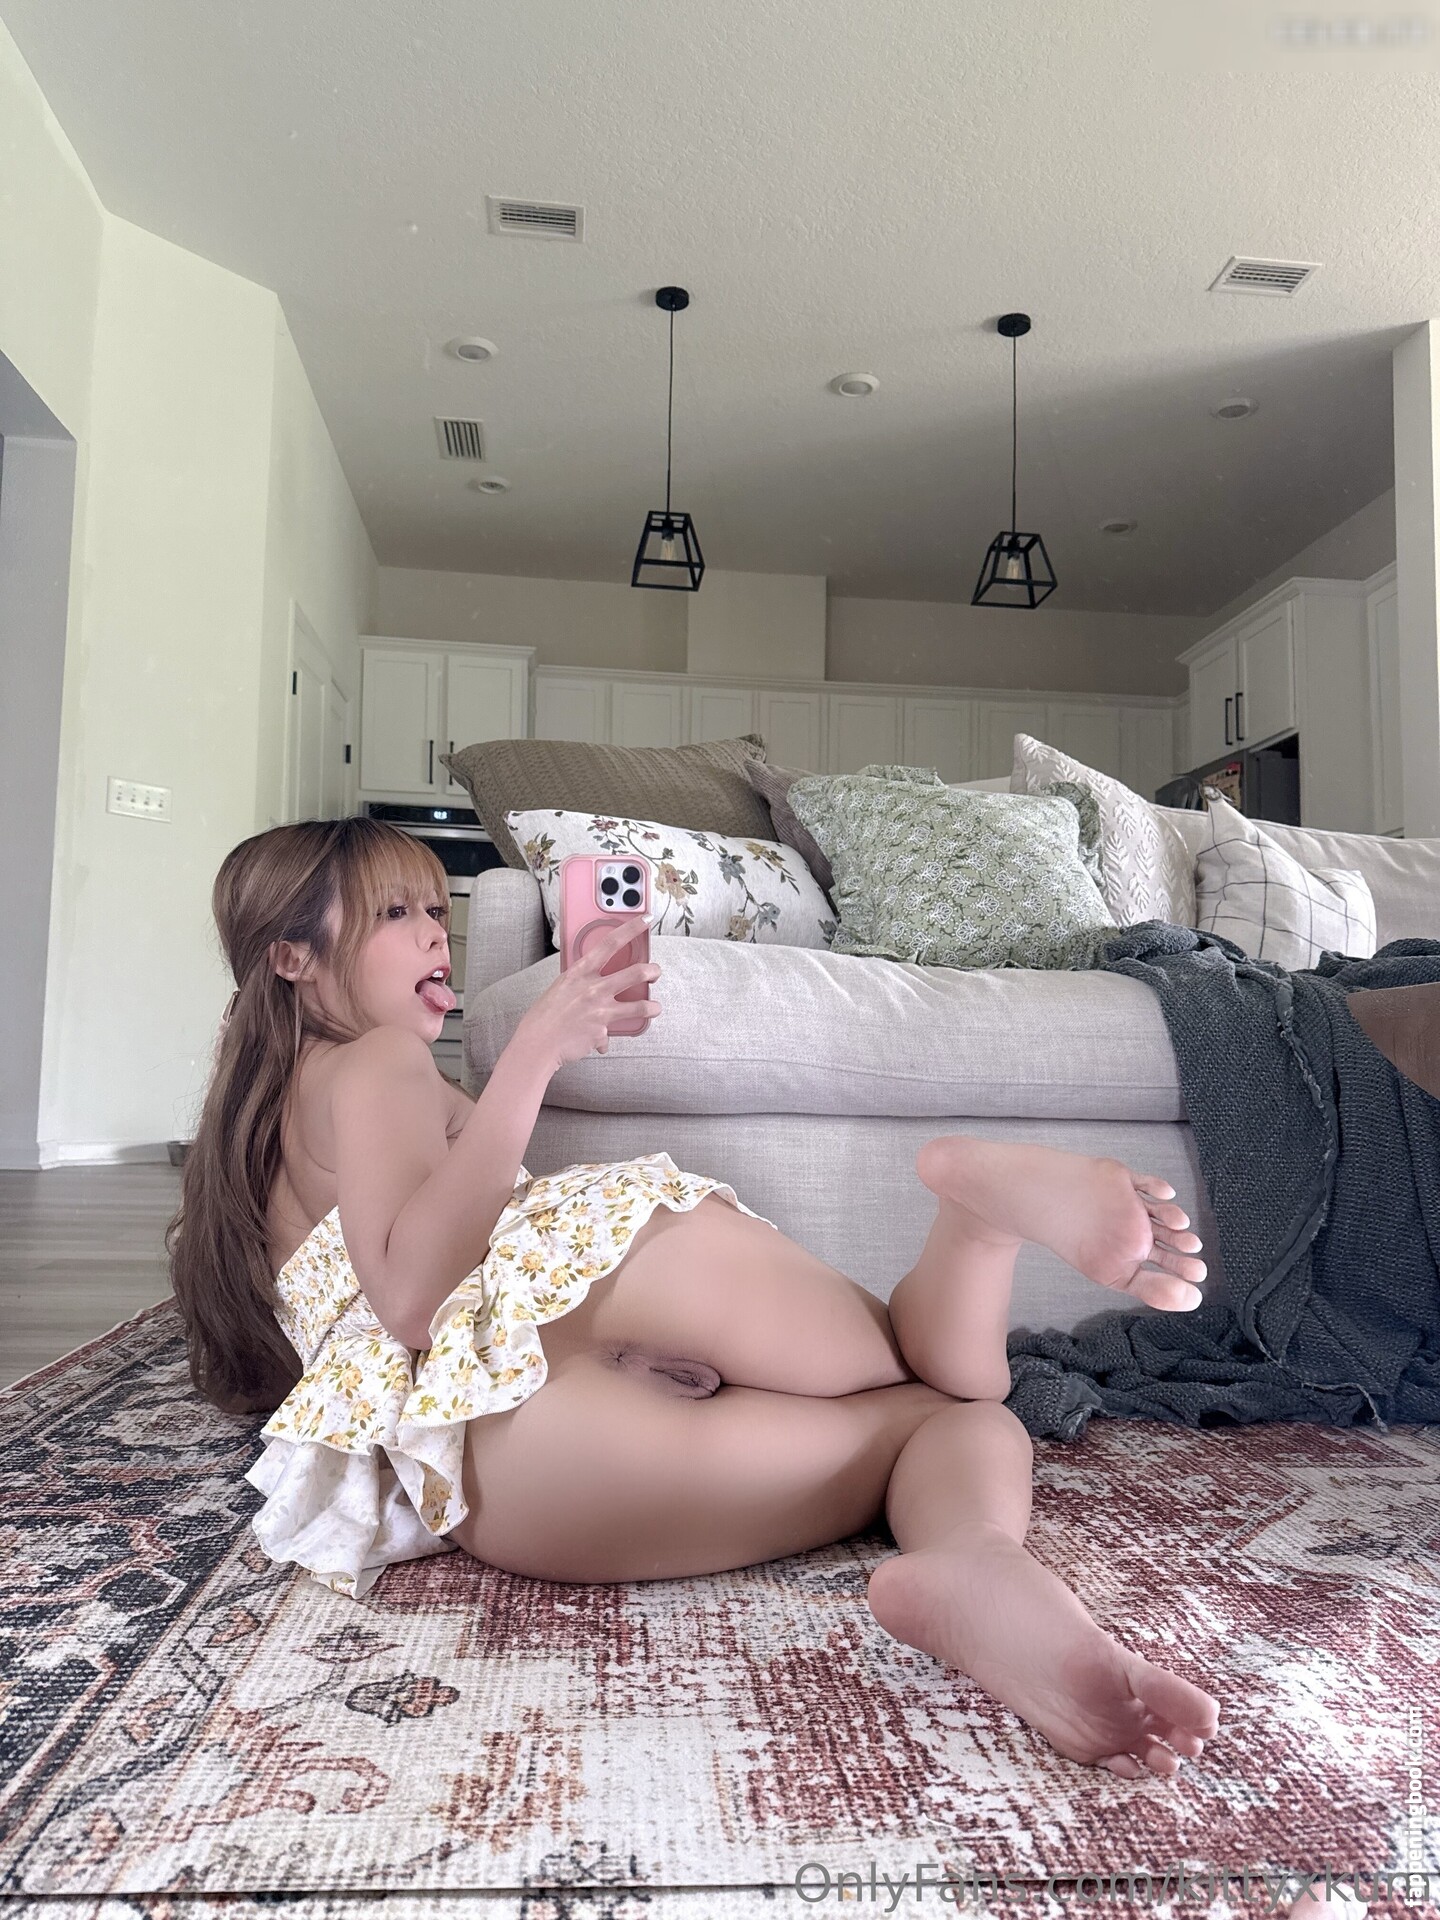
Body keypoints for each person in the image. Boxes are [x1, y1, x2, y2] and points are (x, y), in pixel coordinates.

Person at [167, 817, 1220, 1782]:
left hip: (511, 1467)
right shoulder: (380, 1062)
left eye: (436, 908)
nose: (435, 934)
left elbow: (379, 1318)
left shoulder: (270, 1120)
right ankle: (976, 1224)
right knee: (950, 1396)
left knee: (950, 1414)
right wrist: (535, 1050)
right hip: (585, 1283)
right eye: (394, 913)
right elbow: (411, 1298)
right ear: (291, 956)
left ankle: (978, 1570)